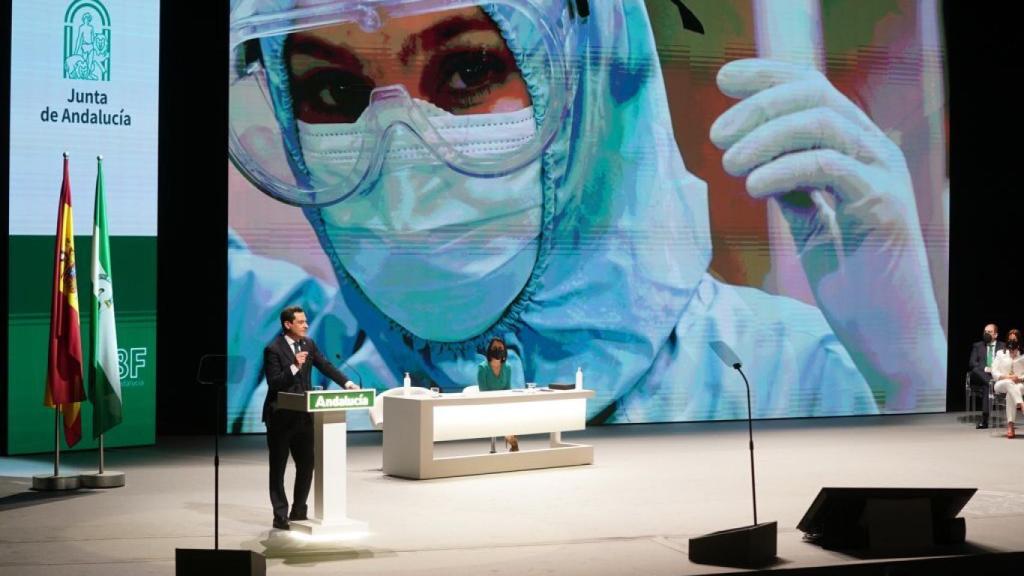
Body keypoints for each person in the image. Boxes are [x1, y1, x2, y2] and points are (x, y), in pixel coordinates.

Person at [227, 1, 946, 430]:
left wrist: (911, 387)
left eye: (468, 71)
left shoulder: (783, 377)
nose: (400, 152)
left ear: (593, 80)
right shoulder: (305, 380)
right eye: (331, 88)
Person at [263, 305, 359, 530]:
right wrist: (295, 366)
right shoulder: (273, 349)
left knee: (307, 464)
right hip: (280, 417)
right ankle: (280, 515)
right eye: (301, 322)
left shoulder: (308, 344)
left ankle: (299, 511)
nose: (306, 325)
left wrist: (347, 383)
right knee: (277, 468)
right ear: (288, 324)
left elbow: (325, 366)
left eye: (306, 321)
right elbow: (275, 383)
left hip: (304, 416)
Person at [477, 338, 518, 451]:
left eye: (500, 348)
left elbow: (508, 389)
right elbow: (483, 392)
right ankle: (511, 439)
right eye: (494, 348)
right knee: (504, 416)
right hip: (488, 404)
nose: (497, 350)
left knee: (513, 412)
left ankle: (511, 438)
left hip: (503, 404)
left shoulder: (508, 367)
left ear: (504, 350)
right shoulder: (482, 368)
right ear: (489, 350)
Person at [968, 324, 1004, 429]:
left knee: (986, 387)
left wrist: (995, 371)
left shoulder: (1003, 346)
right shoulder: (978, 345)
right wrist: (985, 369)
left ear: (996, 335)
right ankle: (990, 383)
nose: (986, 334)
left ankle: (985, 420)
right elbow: (972, 363)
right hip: (980, 376)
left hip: (996, 376)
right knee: (975, 369)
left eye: (989, 332)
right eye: (985, 332)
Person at [991, 329, 1024, 439]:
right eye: (1010, 340)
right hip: (1001, 383)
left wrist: (1019, 378)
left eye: (1014, 340)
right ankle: (1021, 404)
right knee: (1009, 383)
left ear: (1019, 341)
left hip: (1019, 384)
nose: (1012, 342)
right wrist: (1008, 377)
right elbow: (994, 371)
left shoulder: (1023, 355)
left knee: (1011, 393)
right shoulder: (1001, 353)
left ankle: (1010, 426)